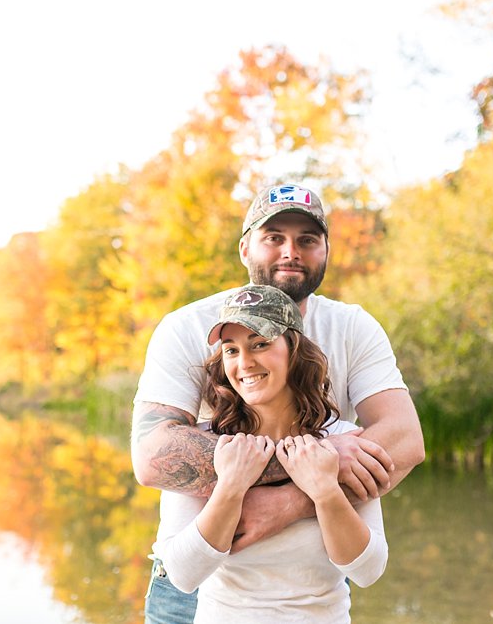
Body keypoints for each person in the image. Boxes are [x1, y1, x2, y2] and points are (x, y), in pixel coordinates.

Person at [133, 183, 424, 623]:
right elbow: (154, 458)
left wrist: (297, 499)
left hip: (311, 582)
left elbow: (404, 442)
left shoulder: (352, 327)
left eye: (307, 239)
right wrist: (304, 466)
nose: (291, 251)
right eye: (274, 237)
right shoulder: (187, 326)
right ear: (245, 246)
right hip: (196, 587)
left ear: (325, 249)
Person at [155, 284, 388, 622]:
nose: (245, 363)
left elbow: (368, 570)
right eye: (231, 350)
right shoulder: (206, 448)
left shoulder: (344, 443)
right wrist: (230, 488)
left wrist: (325, 492)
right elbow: (182, 574)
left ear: (294, 350)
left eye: (260, 345)